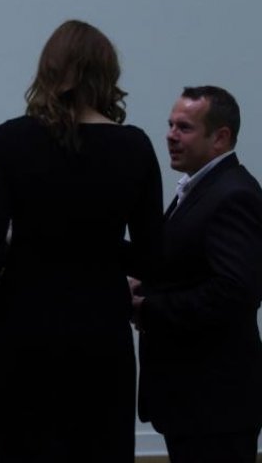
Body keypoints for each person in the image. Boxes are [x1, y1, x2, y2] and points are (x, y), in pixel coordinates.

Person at [0, 20, 163, 462]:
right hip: (101, 335)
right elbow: (152, 259)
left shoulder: (7, 141)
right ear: (107, 75)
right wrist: (98, 246)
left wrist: (34, 239)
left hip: (24, 334)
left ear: (48, 70)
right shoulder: (134, 147)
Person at [133, 86, 262, 463]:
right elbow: (188, 266)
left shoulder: (233, 195)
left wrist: (147, 307)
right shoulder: (202, 188)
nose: (171, 136)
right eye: (170, 125)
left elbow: (235, 292)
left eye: (184, 128)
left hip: (214, 403)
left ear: (220, 137)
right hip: (195, 401)